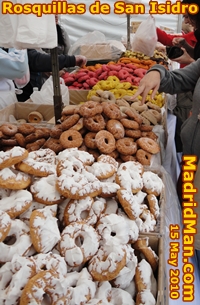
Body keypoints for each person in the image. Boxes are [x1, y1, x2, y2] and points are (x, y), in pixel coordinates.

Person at [17, 50, 87, 102]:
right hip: (21, 92)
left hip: (31, 86)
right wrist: (71, 60)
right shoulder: (11, 43)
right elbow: (35, 59)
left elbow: (35, 58)